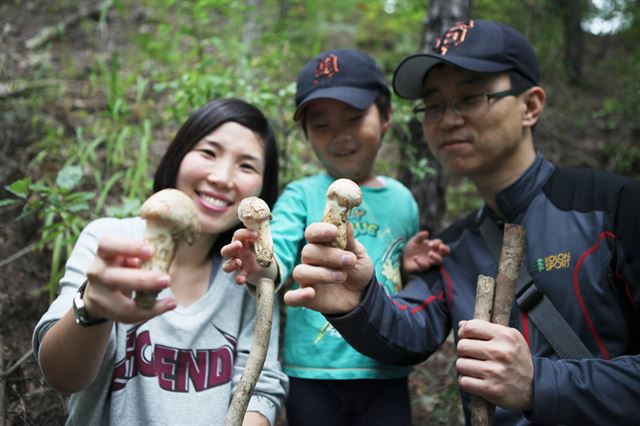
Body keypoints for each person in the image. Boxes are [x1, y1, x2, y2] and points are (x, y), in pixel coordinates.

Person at [283, 19, 640, 426]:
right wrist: (360, 301)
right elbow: (407, 334)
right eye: (434, 105)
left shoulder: (615, 210)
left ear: (531, 106)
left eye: (471, 97)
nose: (447, 119)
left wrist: (542, 382)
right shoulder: (455, 247)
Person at [221, 48, 449, 426]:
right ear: (308, 133)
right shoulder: (302, 194)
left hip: (385, 370)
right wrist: (261, 261)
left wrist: (404, 261)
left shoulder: (402, 200)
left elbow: (390, 272)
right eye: (321, 124)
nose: (340, 135)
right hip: (312, 372)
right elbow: (278, 249)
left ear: (386, 116)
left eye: (354, 117)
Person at [31, 99, 288, 425]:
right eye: (209, 153)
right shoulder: (110, 241)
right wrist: (93, 310)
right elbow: (62, 376)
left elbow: (261, 389)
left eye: (246, 166)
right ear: (178, 155)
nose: (222, 177)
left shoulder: (249, 272)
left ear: (263, 189)